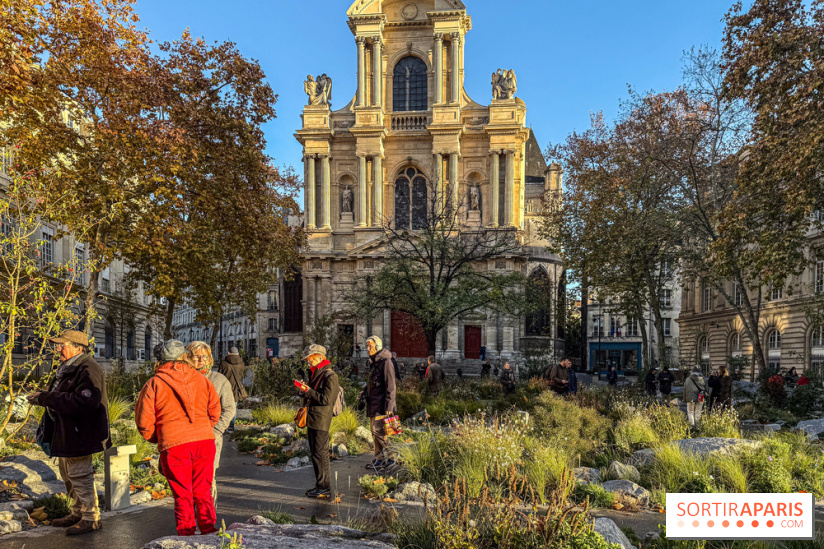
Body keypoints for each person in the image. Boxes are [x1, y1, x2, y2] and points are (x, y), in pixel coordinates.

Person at [29, 330, 110, 535]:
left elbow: (86, 401)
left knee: (80, 475)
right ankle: (78, 513)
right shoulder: (70, 366)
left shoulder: (88, 367)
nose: (58, 349)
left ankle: (91, 518)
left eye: (61, 345)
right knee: (69, 475)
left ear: (78, 347)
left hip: (81, 433)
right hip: (67, 432)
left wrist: (45, 398)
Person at [135, 340, 220, 536]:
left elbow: (144, 422)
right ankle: (209, 531)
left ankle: (187, 536)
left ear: (160, 361)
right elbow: (215, 412)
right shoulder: (202, 379)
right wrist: (203, 428)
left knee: (183, 494)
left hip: (174, 445)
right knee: (203, 491)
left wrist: (160, 437)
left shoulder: (154, 383)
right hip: (204, 442)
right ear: (184, 356)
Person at [186, 342, 235, 504]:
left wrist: (215, 431)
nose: (201, 360)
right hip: (186, 440)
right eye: (196, 356)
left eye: (205, 356)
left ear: (211, 359)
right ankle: (191, 519)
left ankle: (207, 520)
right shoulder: (182, 379)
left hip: (210, 440)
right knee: (187, 484)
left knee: (207, 482)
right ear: (188, 358)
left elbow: (229, 409)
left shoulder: (219, 380)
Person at [296, 344, 340, 499]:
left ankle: (324, 487)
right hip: (313, 418)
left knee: (321, 453)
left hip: (321, 419)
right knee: (315, 453)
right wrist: (304, 390)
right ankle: (320, 485)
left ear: (320, 357)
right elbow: (313, 394)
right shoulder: (315, 373)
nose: (308, 362)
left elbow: (327, 399)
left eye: (310, 359)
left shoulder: (330, 376)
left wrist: (308, 391)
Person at [365, 336, 396, 471]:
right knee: (374, 431)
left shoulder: (386, 361)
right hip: (373, 401)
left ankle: (392, 456)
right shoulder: (374, 361)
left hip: (382, 404)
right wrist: (364, 391)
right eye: (367, 346)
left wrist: (389, 405)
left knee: (379, 430)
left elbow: (391, 385)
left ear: (377, 347)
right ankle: (379, 458)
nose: (367, 349)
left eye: (370, 346)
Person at [218, 347, 247, 431]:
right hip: (236, 388)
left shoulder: (223, 363)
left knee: (223, 407)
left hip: (224, 387)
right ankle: (231, 426)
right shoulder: (241, 363)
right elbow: (242, 376)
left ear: (229, 353)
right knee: (233, 407)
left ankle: (223, 425)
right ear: (238, 353)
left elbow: (220, 375)